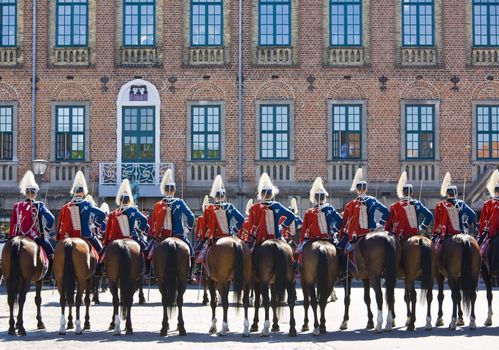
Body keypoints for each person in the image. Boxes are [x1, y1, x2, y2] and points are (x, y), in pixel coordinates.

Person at [150, 169, 196, 279]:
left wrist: (155, 235)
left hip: (163, 236)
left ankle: (151, 273)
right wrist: (187, 229)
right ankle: (191, 274)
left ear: (164, 190)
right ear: (174, 190)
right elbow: (191, 216)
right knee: (191, 251)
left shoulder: (158, 205)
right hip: (179, 235)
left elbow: (155, 223)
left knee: (150, 252)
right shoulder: (179, 202)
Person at [9, 170, 56, 273]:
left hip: (19, 235)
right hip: (35, 236)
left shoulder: (17, 205)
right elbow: (51, 218)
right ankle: (48, 274)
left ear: (25, 194)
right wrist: (46, 229)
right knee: (51, 252)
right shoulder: (39, 205)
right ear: (35, 194)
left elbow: (12, 223)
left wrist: (11, 237)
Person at [56, 171, 106, 256]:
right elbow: (102, 214)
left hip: (68, 236)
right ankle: (101, 267)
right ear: (83, 193)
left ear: (74, 192)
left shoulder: (65, 207)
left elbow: (60, 224)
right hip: (86, 235)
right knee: (101, 251)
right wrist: (94, 225)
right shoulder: (87, 204)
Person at [338, 168, 390, 249]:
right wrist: (379, 224)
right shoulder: (372, 200)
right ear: (366, 189)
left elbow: (345, 222)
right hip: (371, 230)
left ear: (357, 190)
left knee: (339, 248)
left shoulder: (350, 204)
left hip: (356, 233)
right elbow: (386, 211)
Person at [246, 172, 296, 244]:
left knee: (249, 252)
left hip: (259, 238)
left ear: (261, 194)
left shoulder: (254, 207)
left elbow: (251, 225)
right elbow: (291, 216)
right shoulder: (277, 205)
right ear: (271, 194)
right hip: (276, 236)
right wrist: (281, 226)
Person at [103, 179, 150, 254]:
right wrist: (139, 229)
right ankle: (147, 265)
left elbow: (108, 230)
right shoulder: (133, 210)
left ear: (120, 200)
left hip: (116, 237)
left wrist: (106, 243)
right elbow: (144, 220)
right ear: (129, 200)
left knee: (104, 254)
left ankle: (100, 265)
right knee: (145, 250)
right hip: (132, 236)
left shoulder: (114, 213)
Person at [385, 171, 433, 240]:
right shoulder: (417, 203)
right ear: (411, 193)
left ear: (402, 192)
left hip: (400, 236)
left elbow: (388, 224)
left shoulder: (394, 206)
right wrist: (421, 227)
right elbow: (429, 215)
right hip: (414, 233)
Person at [298, 177, 342, 250]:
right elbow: (340, 221)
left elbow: (304, 230)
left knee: (302, 255)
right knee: (340, 253)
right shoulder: (329, 208)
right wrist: (333, 230)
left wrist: (301, 243)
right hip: (328, 237)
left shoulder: (309, 212)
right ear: (324, 198)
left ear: (315, 198)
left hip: (312, 238)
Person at [433, 172, 476, 242]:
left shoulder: (441, 204)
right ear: (456, 194)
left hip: (446, 233)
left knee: (434, 246)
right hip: (460, 232)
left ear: (447, 194)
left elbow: (437, 221)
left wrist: (437, 232)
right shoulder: (461, 203)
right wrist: (465, 224)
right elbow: (472, 214)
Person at [204, 175, 244, 244]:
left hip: (215, 236)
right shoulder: (230, 206)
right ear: (223, 196)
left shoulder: (209, 208)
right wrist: (234, 229)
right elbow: (241, 219)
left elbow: (206, 225)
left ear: (214, 196)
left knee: (203, 252)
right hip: (228, 235)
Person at [479, 169, 499, 245]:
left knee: (479, 249)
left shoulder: (487, 203)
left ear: (494, 192)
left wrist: (480, 235)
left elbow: (482, 221)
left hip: (491, 232)